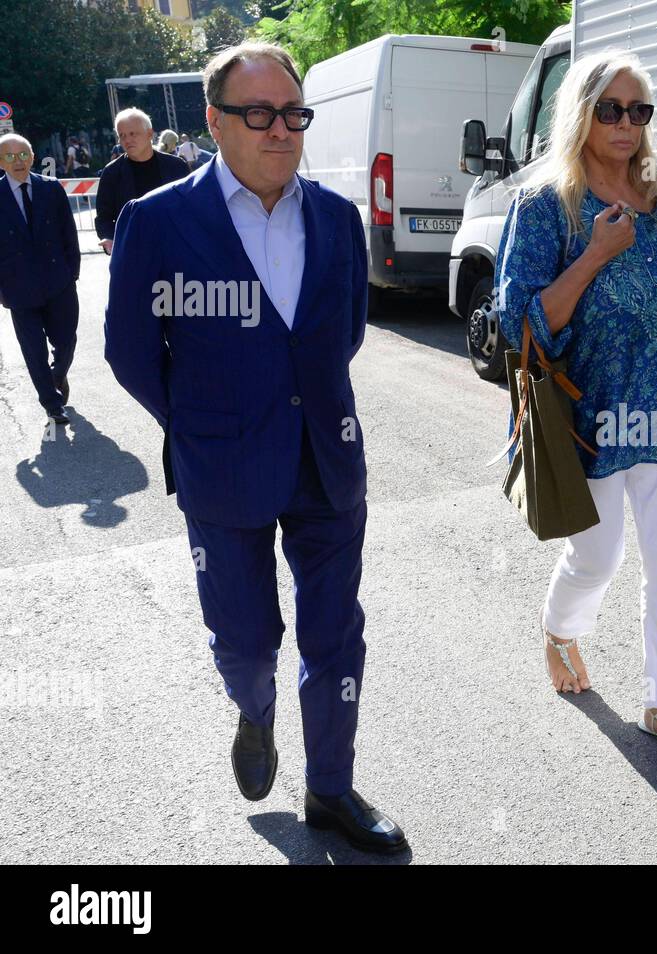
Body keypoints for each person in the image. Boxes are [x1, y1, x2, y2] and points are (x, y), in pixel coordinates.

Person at [104, 41, 406, 854]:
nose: (281, 130)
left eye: (293, 114)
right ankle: (255, 707)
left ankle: (330, 790)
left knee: (336, 635)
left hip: (327, 463)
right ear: (214, 120)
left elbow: (341, 334)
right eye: (260, 113)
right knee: (244, 638)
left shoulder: (337, 219)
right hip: (221, 468)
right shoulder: (158, 222)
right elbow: (130, 352)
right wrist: (204, 422)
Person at [496, 50, 657, 762]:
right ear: (582, 112)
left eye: (639, 110)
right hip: (590, 418)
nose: (627, 122)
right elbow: (521, 321)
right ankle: (561, 629)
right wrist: (595, 254)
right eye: (611, 109)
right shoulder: (547, 206)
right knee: (597, 559)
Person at [0, 133, 79, 424]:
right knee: (34, 350)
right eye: (9, 156)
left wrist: (72, 272)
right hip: (17, 286)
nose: (18, 161)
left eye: (23, 154)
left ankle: (57, 375)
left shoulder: (51, 188)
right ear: (1, 162)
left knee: (66, 340)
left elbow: (68, 232)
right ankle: (52, 403)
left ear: (32, 157)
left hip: (58, 281)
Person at [95, 109, 190, 254]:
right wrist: (109, 239)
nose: (127, 140)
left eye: (133, 134)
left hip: (175, 249)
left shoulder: (176, 166)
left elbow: (191, 206)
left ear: (150, 134)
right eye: (122, 135)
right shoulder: (111, 173)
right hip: (134, 252)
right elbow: (104, 217)